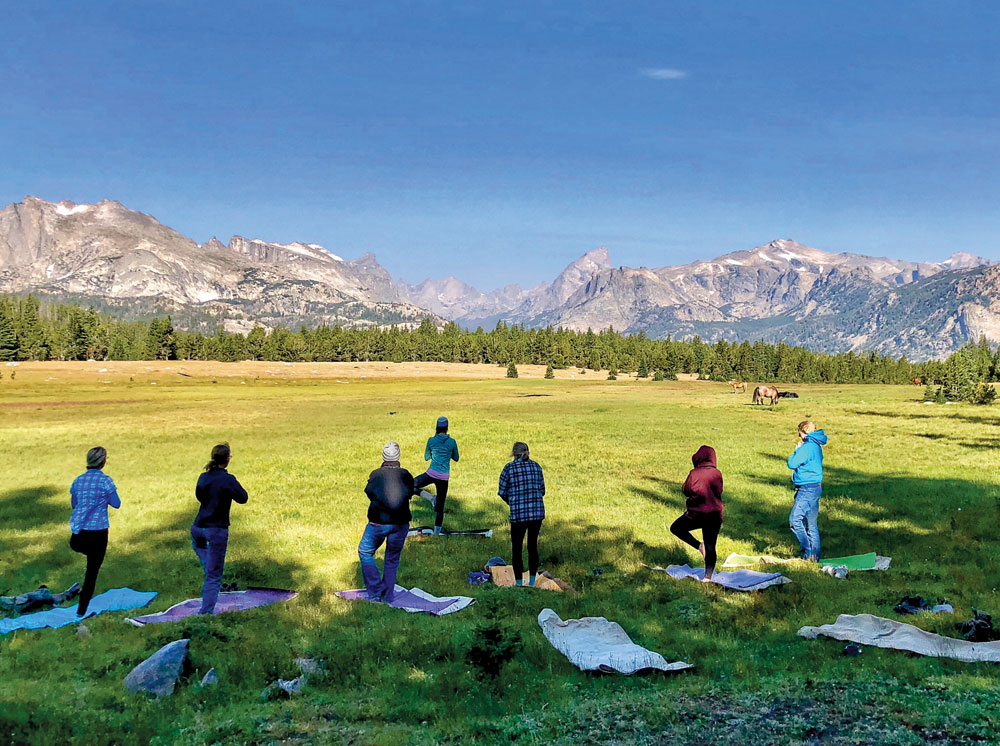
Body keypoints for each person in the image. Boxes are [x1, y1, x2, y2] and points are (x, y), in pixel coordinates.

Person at [191, 443, 248, 614]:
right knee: (214, 575)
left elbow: (199, 496)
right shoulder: (227, 480)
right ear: (228, 459)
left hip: (198, 527)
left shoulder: (203, 477)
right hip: (216, 530)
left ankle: (210, 571)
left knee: (202, 552)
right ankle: (205, 614)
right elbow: (243, 497)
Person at [359, 441, 414, 602]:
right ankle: (388, 596)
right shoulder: (406, 475)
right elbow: (410, 493)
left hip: (378, 523)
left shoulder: (376, 474)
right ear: (398, 457)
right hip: (401, 523)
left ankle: (376, 592)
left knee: (365, 551)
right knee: (392, 559)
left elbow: (369, 493)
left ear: (383, 457)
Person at [69, 446, 121, 617]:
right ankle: (81, 611)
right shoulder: (105, 481)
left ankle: (80, 606)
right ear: (103, 461)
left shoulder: (78, 481)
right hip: (98, 532)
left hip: (80, 532)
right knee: (92, 572)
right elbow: (116, 503)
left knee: (76, 546)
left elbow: (74, 504)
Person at [669, 445, 724, 582]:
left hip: (696, 514)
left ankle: (699, 546)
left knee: (676, 528)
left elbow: (686, 490)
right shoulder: (717, 474)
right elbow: (720, 490)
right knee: (711, 545)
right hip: (714, 515)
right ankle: (708, 577)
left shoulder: (694, 473)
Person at [497, 442, 545, 587]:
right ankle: (531, 582)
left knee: (517, 548)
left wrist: (512, 502)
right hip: (536, 513)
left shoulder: (509, 468)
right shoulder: (536, 466)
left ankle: (518, 583)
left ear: (513, 453)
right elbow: (542, 490)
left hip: (518, 514)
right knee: (532, 547)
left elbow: (502, 491)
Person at [787, 420, 827, 561]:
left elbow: (791, 463)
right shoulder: (817, 445)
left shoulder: (807, 447)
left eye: (800, 433)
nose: (799, 436)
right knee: (811, 524)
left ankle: (807, 553)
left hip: (806, 489)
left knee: (794, 520)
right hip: (816, 487)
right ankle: (815, 558)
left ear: (804, 432)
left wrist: (797, 450)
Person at [413, 416, 460, 535]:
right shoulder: (452, 442)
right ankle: (436, 533)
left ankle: (430, 498)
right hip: (444, 477)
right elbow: (456, 458)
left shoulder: (431, 440)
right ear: (447, 428)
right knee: (440, 507)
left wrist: (435, 453)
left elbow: (426, 457)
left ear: (436, 428)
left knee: (409, 485)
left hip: (431, 473)